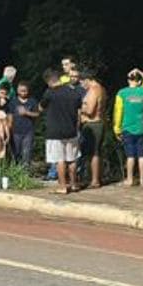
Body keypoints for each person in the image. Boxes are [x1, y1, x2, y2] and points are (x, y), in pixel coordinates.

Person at [41, 67, 85, 195]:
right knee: (72, 159)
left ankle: (62, 186)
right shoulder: (74, 92)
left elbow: (41, 107)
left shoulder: (50, 92)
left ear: (49, 81)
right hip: (71, 130)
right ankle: (74, 184)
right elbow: (79, 110)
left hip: (55, 132)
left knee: (60, 159)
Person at [115, 68, 143, 187]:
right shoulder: (142, 91)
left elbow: (118, 111)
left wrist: (117, 129)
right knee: (141, 155)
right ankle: (142, 180)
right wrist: (139, 71)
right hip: (140, 128)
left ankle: (130, 180)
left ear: (128, 80)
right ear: (139, 81)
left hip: (127, 128)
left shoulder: (122, 93)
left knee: (130, 155)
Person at [79, 67, 108, 189]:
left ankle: (95, 180)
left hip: (93, 123)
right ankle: (96, 178)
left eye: (82, 82)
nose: (81, 85)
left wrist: (80, 107)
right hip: (99, 122)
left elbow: (90, 111)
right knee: (96, 152)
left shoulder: (93, 90)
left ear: (87, 80)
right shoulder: (101, 89)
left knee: (93, 153)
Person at [7, 79, 39, 167]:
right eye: (21, 91)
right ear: (17, 90)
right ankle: (15, 169)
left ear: (28, 91)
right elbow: (10, 115)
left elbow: (37, 114)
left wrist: (27, 113)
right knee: (16, 152)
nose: (23, 93)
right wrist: (9, 128)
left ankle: (25, 170)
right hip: (15, 131)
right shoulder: (13, 101)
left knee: (26, 152)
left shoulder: (32, 101)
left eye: (25, 91)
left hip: (28, 131)